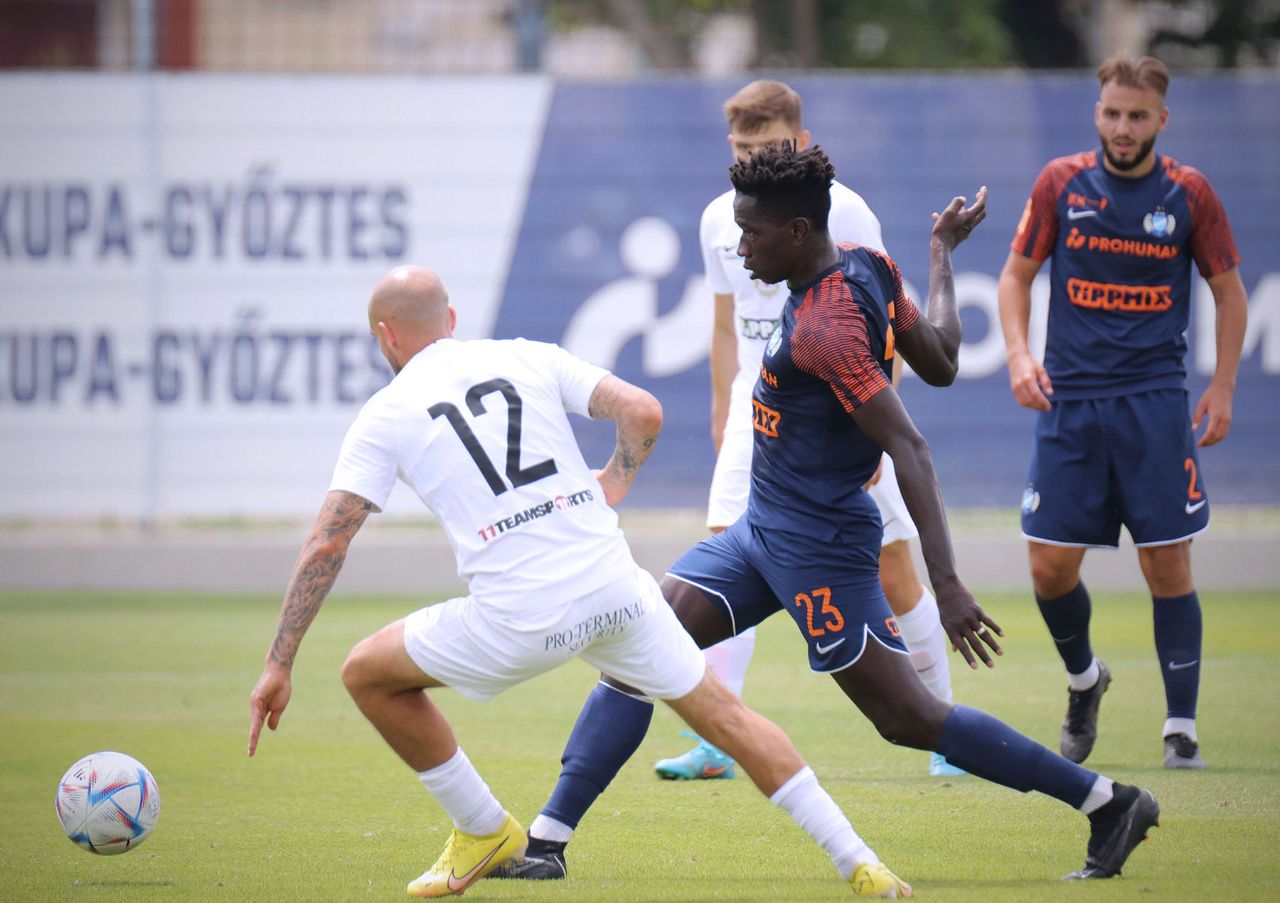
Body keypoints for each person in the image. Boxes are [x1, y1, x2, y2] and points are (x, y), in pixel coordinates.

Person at [495, 144, 1160, 887]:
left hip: (820, 549)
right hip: (759, 533)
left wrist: (946, 582)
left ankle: (1108, 803)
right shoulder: (870, 267)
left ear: (797, 232)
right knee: (637, 648)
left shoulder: (826, 328)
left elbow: (910, 446)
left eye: (750, 233)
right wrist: (941, 253)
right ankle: (546, 843)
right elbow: (942, 357)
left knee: (908, 718)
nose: (739, 246)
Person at [245, 265, 913, 898]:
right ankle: (860, 860)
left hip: (520, 619)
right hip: (617, 589)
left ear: (385, 337)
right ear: (450, 320)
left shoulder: (385, 412)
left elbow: (328, 540)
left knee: (366, 673)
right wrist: (615, 480)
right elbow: (643, 410)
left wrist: (279, 663)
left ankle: (482, 828)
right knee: (730, 719)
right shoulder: (526, 355)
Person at [654, 79, 962, 782]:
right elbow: (725, 322)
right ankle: (717, 735)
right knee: (722, 553)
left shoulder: (844, 209)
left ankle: (943, 724)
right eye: (741, 147)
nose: (750, 158)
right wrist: (723, 411)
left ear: (800, 140)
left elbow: (883, 311)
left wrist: (878, 423)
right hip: (758, 409)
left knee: (892, 570)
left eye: (765, 145)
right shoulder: (720, 218)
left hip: (839, 411)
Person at [997, 55, 1247, 770]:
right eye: (1112, 113)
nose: (1123, 127)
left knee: (1167, 562)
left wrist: (1223, 386)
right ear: (1097, 113)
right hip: (1071, 403)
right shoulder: (1061, 183)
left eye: (1137, 116)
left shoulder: (1189, 193)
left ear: (1161, 119)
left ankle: (1180, 729)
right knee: (1048, 568)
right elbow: (1015, 277)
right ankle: (1085, 679)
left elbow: (1230, 294)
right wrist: (1018, 355)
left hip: (1154, 404)